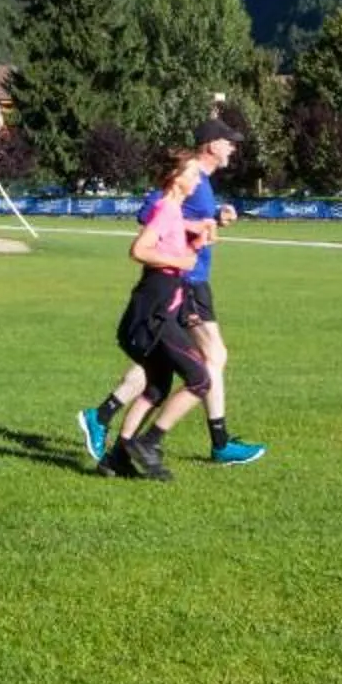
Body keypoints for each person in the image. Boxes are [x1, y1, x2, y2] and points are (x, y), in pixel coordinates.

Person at [78, 118, 267, 468]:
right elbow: (152, 210)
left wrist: (216, 216)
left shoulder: (203, 181)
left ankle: (106, 419)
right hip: (186, 280)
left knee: (165, 364)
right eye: (229, 142)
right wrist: (192, 227)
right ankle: (218, 441)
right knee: (211, 358)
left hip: (191, 277)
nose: (234, 148)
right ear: (212, 144)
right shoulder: (190, 171)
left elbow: (182, 213)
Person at [93, 154, 212, 481]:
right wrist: (182, 259)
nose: (198, 181)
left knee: (158, 386)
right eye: (193, 174)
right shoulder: (166, 209)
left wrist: (196, 244)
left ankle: (116, 458)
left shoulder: (173, 211)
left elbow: (179, 256)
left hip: (160, 310)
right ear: (177, 178)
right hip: (153, 314)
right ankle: (149, 443)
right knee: (200, 379)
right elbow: (140, 250)